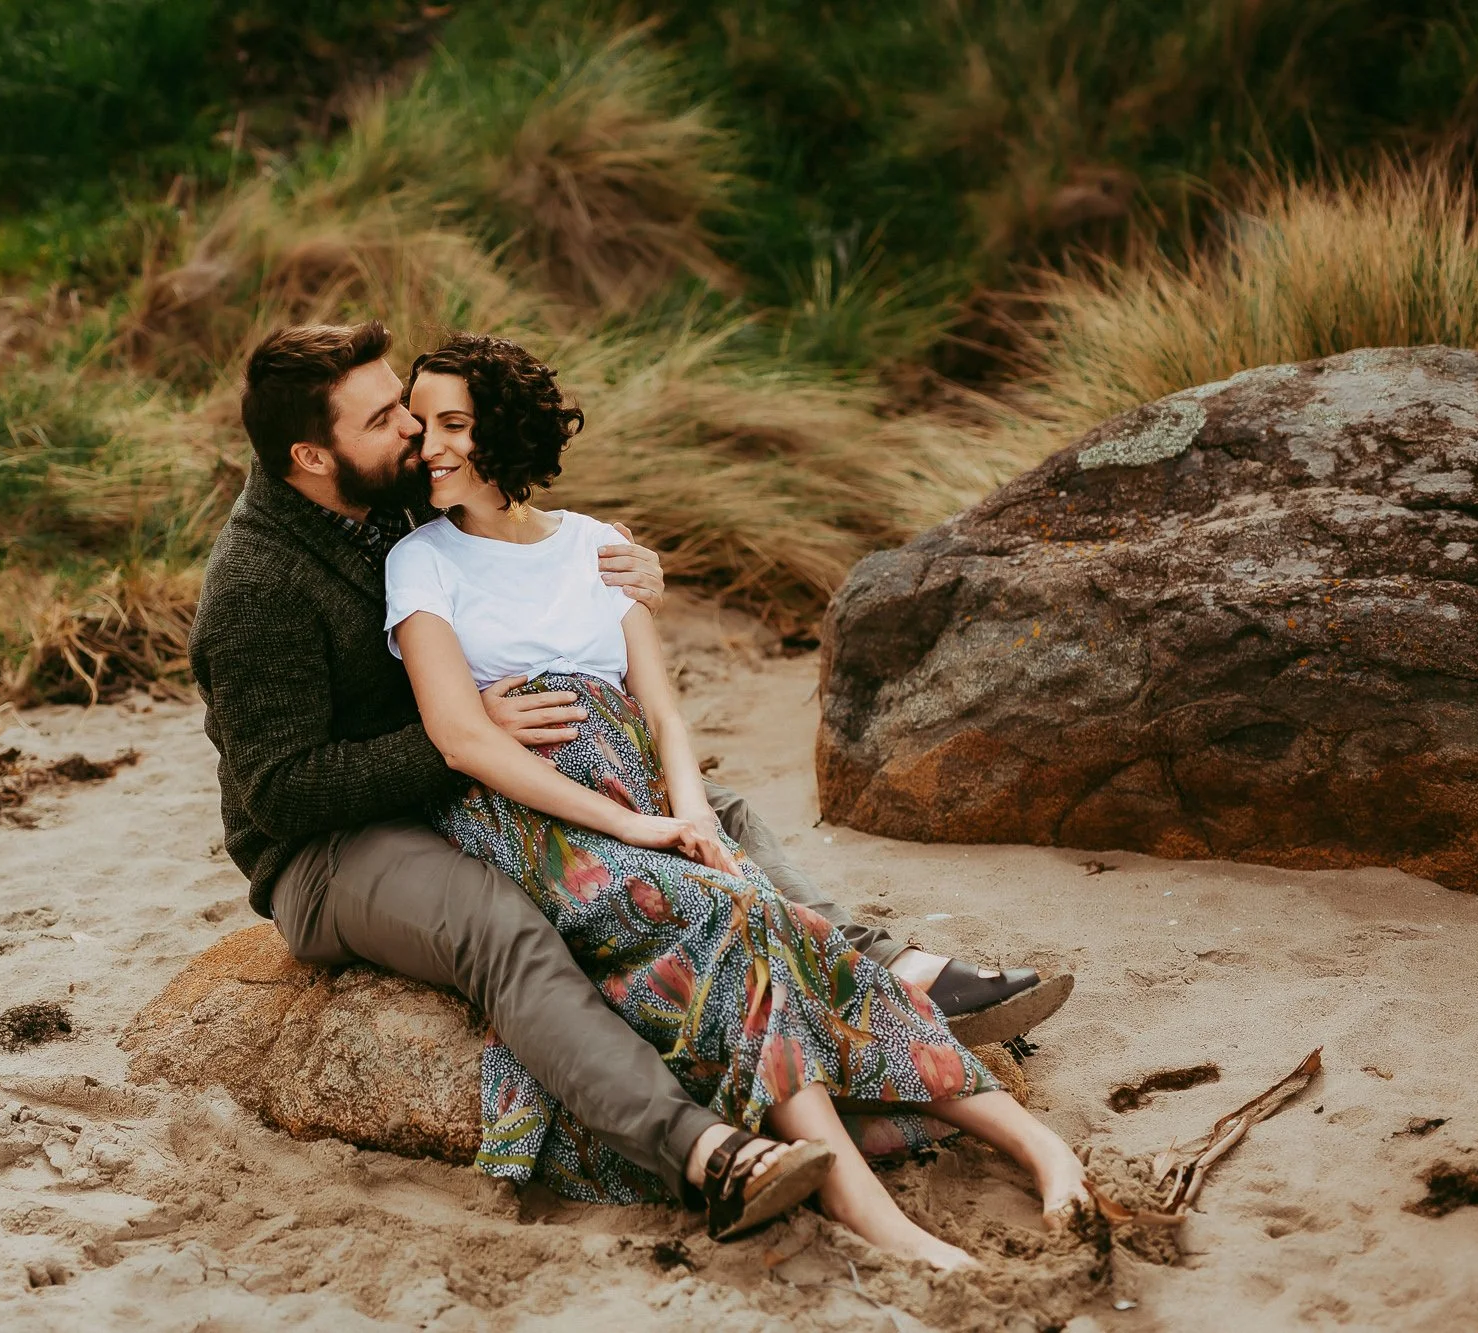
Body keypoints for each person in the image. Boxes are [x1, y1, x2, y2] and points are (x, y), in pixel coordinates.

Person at [188, 321, 1072, 1254]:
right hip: (326, 849)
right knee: (501, 928)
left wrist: (633, 577)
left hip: (453, 785)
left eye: (415, 415)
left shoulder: (393, 495)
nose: (413, 433)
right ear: (310, 455)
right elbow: (282, 792)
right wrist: (464, 735)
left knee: (711, 812)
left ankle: (874, 963)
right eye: (387, 420)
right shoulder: (257, 585)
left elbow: (510, 528)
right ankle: (705, 1152)